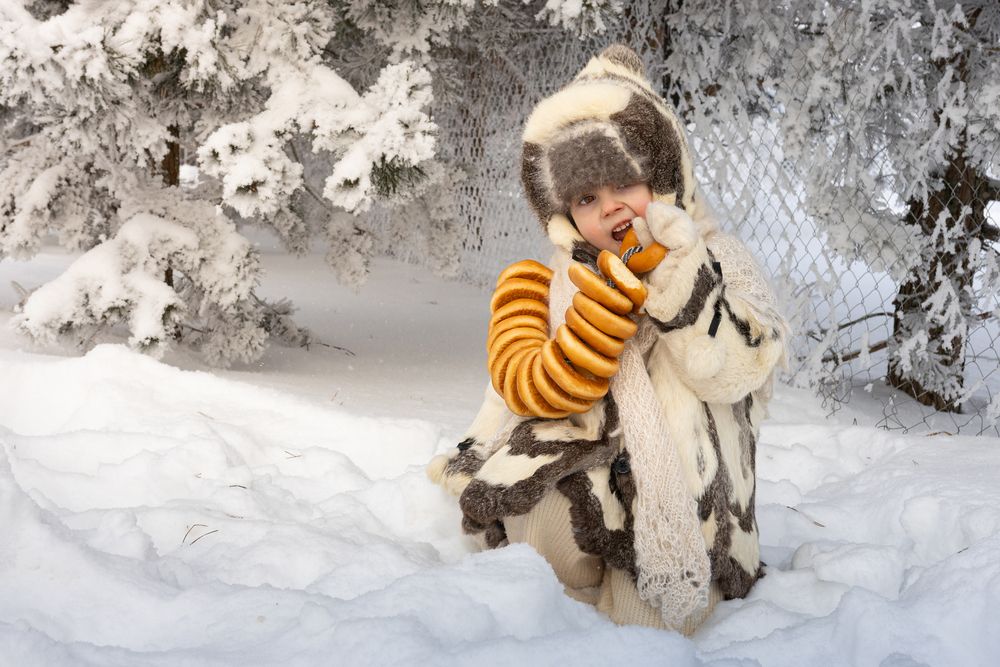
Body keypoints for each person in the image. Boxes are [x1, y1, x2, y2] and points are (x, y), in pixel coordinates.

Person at [427, 44, 788, 634]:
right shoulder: (567, 279)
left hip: (688, 491)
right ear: (565, 213)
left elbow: (742, 363)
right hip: (596, 473)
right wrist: (481, 446)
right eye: (586, 198)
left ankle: (653, 586)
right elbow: (519, 386)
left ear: (664, 180)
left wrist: (681, 286)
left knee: (658, 615)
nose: (610, 206)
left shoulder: (719, 257)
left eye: (625, 181)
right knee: (542, 523)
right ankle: (557, 603)